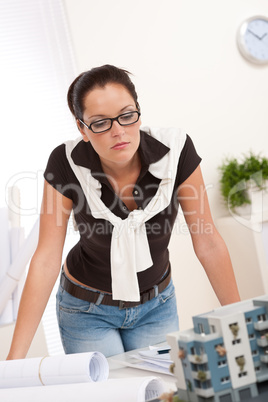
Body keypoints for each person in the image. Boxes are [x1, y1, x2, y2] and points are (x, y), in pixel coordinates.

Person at [6, 65, 240, 360]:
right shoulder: (65, 163)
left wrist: (238, 327)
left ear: (138, 112)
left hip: (156, 305)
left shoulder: (177, 151)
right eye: (101, 123)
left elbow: (208, 242)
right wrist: (14, 361)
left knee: (162, 392)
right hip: (86, 310)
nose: (119, 131)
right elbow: (45, 259)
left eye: (127, 116)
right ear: (82, 129)